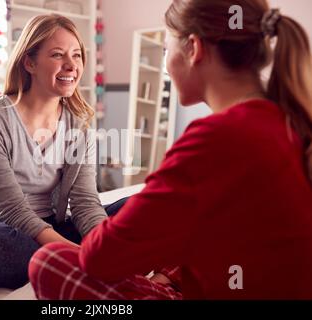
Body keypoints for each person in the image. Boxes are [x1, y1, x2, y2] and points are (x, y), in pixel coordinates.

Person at [29, 0, 312, 299]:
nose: (166, 61)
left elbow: (98, 257)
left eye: (166, 48)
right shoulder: (289, 120)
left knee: (47, 263)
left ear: (193, 48)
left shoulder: (215, 138)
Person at [0, 14, 127, 290]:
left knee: (137, 209)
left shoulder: (78, 124)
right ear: (29, 62)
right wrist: (82, 255)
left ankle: (70, 267)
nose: (71, 65)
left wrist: (101, 248)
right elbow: (11, 210)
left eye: (77, 55)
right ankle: (83, 269)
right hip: (1, 229)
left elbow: (85, 202)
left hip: (53, 229)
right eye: (57, 54)